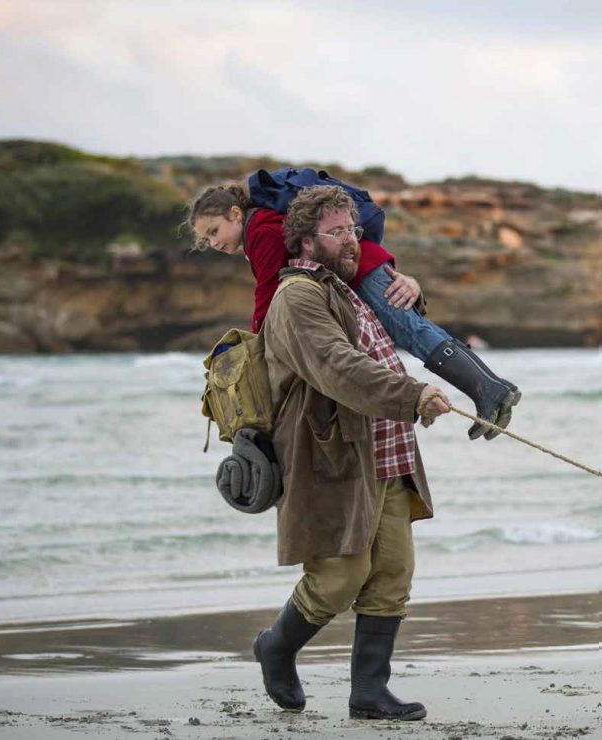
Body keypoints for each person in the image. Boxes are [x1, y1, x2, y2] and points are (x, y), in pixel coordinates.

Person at [255, 184, 452, 720]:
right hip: (333, 460)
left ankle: (369, 694)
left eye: (354, 230)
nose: (350, 239)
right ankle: (276, 646)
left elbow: (397, 329)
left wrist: (410, 286)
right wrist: (413, 396)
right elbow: (338, 366)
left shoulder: (349, 288)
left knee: (392, 574)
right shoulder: (296, 296)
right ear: (304, 241)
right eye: (337, 231)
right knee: (339, 578)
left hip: (387, 456)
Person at [186, 183, 520, 440]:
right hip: (362, 268)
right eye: (205, 240)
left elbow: (269, 290)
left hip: (363, 269)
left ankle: (489, 389)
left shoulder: (258, 230)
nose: (213, 243)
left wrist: (260, 338)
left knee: (413, 332)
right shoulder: (260, 227)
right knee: (414, 330)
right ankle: (490, 388)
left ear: (234, 213)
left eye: (213, 231)